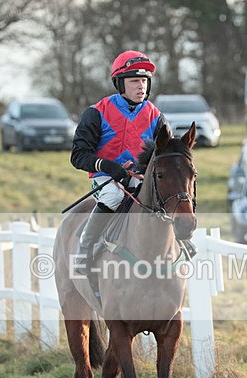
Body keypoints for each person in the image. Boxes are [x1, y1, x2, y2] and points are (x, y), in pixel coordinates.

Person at [70, 49, 168, 274]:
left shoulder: (157, 117)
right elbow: (78, 156)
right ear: (120, 84)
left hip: (139, 176)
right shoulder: (96, 113)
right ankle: (85, 250)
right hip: (105, 177)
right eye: (134, 81)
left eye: (144, 81)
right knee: (114, 197)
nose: (141, 86)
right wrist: (108, 166)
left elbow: (165, 155)